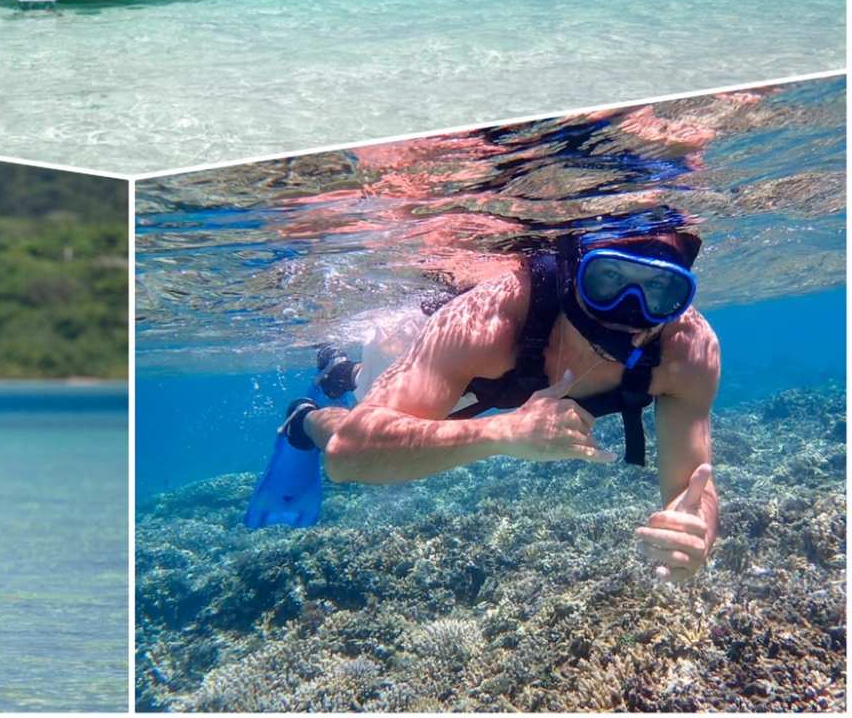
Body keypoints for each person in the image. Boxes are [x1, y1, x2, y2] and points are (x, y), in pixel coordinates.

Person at [257, 224, 721, 584]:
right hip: (464, 366)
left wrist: (695, 532)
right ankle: (305, 417)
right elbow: (349, 455)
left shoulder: (688, 351)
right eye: (609, 280)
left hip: (493, 378)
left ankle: (346, 373)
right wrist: (503, 434)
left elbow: (696, 487)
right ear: (574, 274)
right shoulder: (489, 320)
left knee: (374, 389)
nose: (629, 310)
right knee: (357, 410)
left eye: (660, 290)